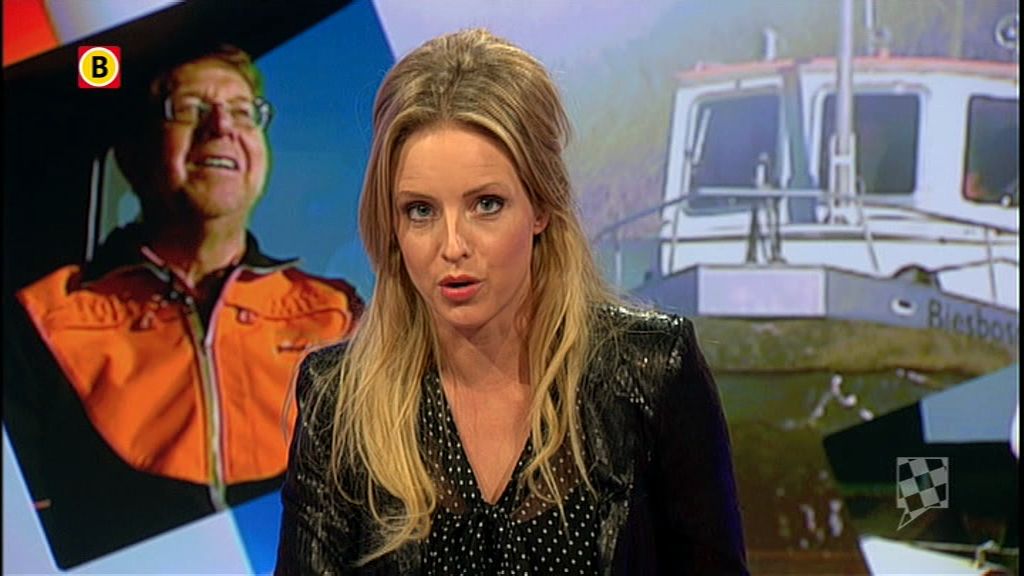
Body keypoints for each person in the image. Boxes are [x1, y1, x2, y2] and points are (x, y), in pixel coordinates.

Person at [275, 29, 747, 575]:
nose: (453, 246)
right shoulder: (340, 403)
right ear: (392, 226)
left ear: (541, 207)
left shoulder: (650, 372)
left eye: (486, 204)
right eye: (421, 211)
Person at [3, 44, 362, 568]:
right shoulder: (41, 322)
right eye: (191, 109)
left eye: (243, 112)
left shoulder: (339, 315)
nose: (222, 127)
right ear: (133, 156)